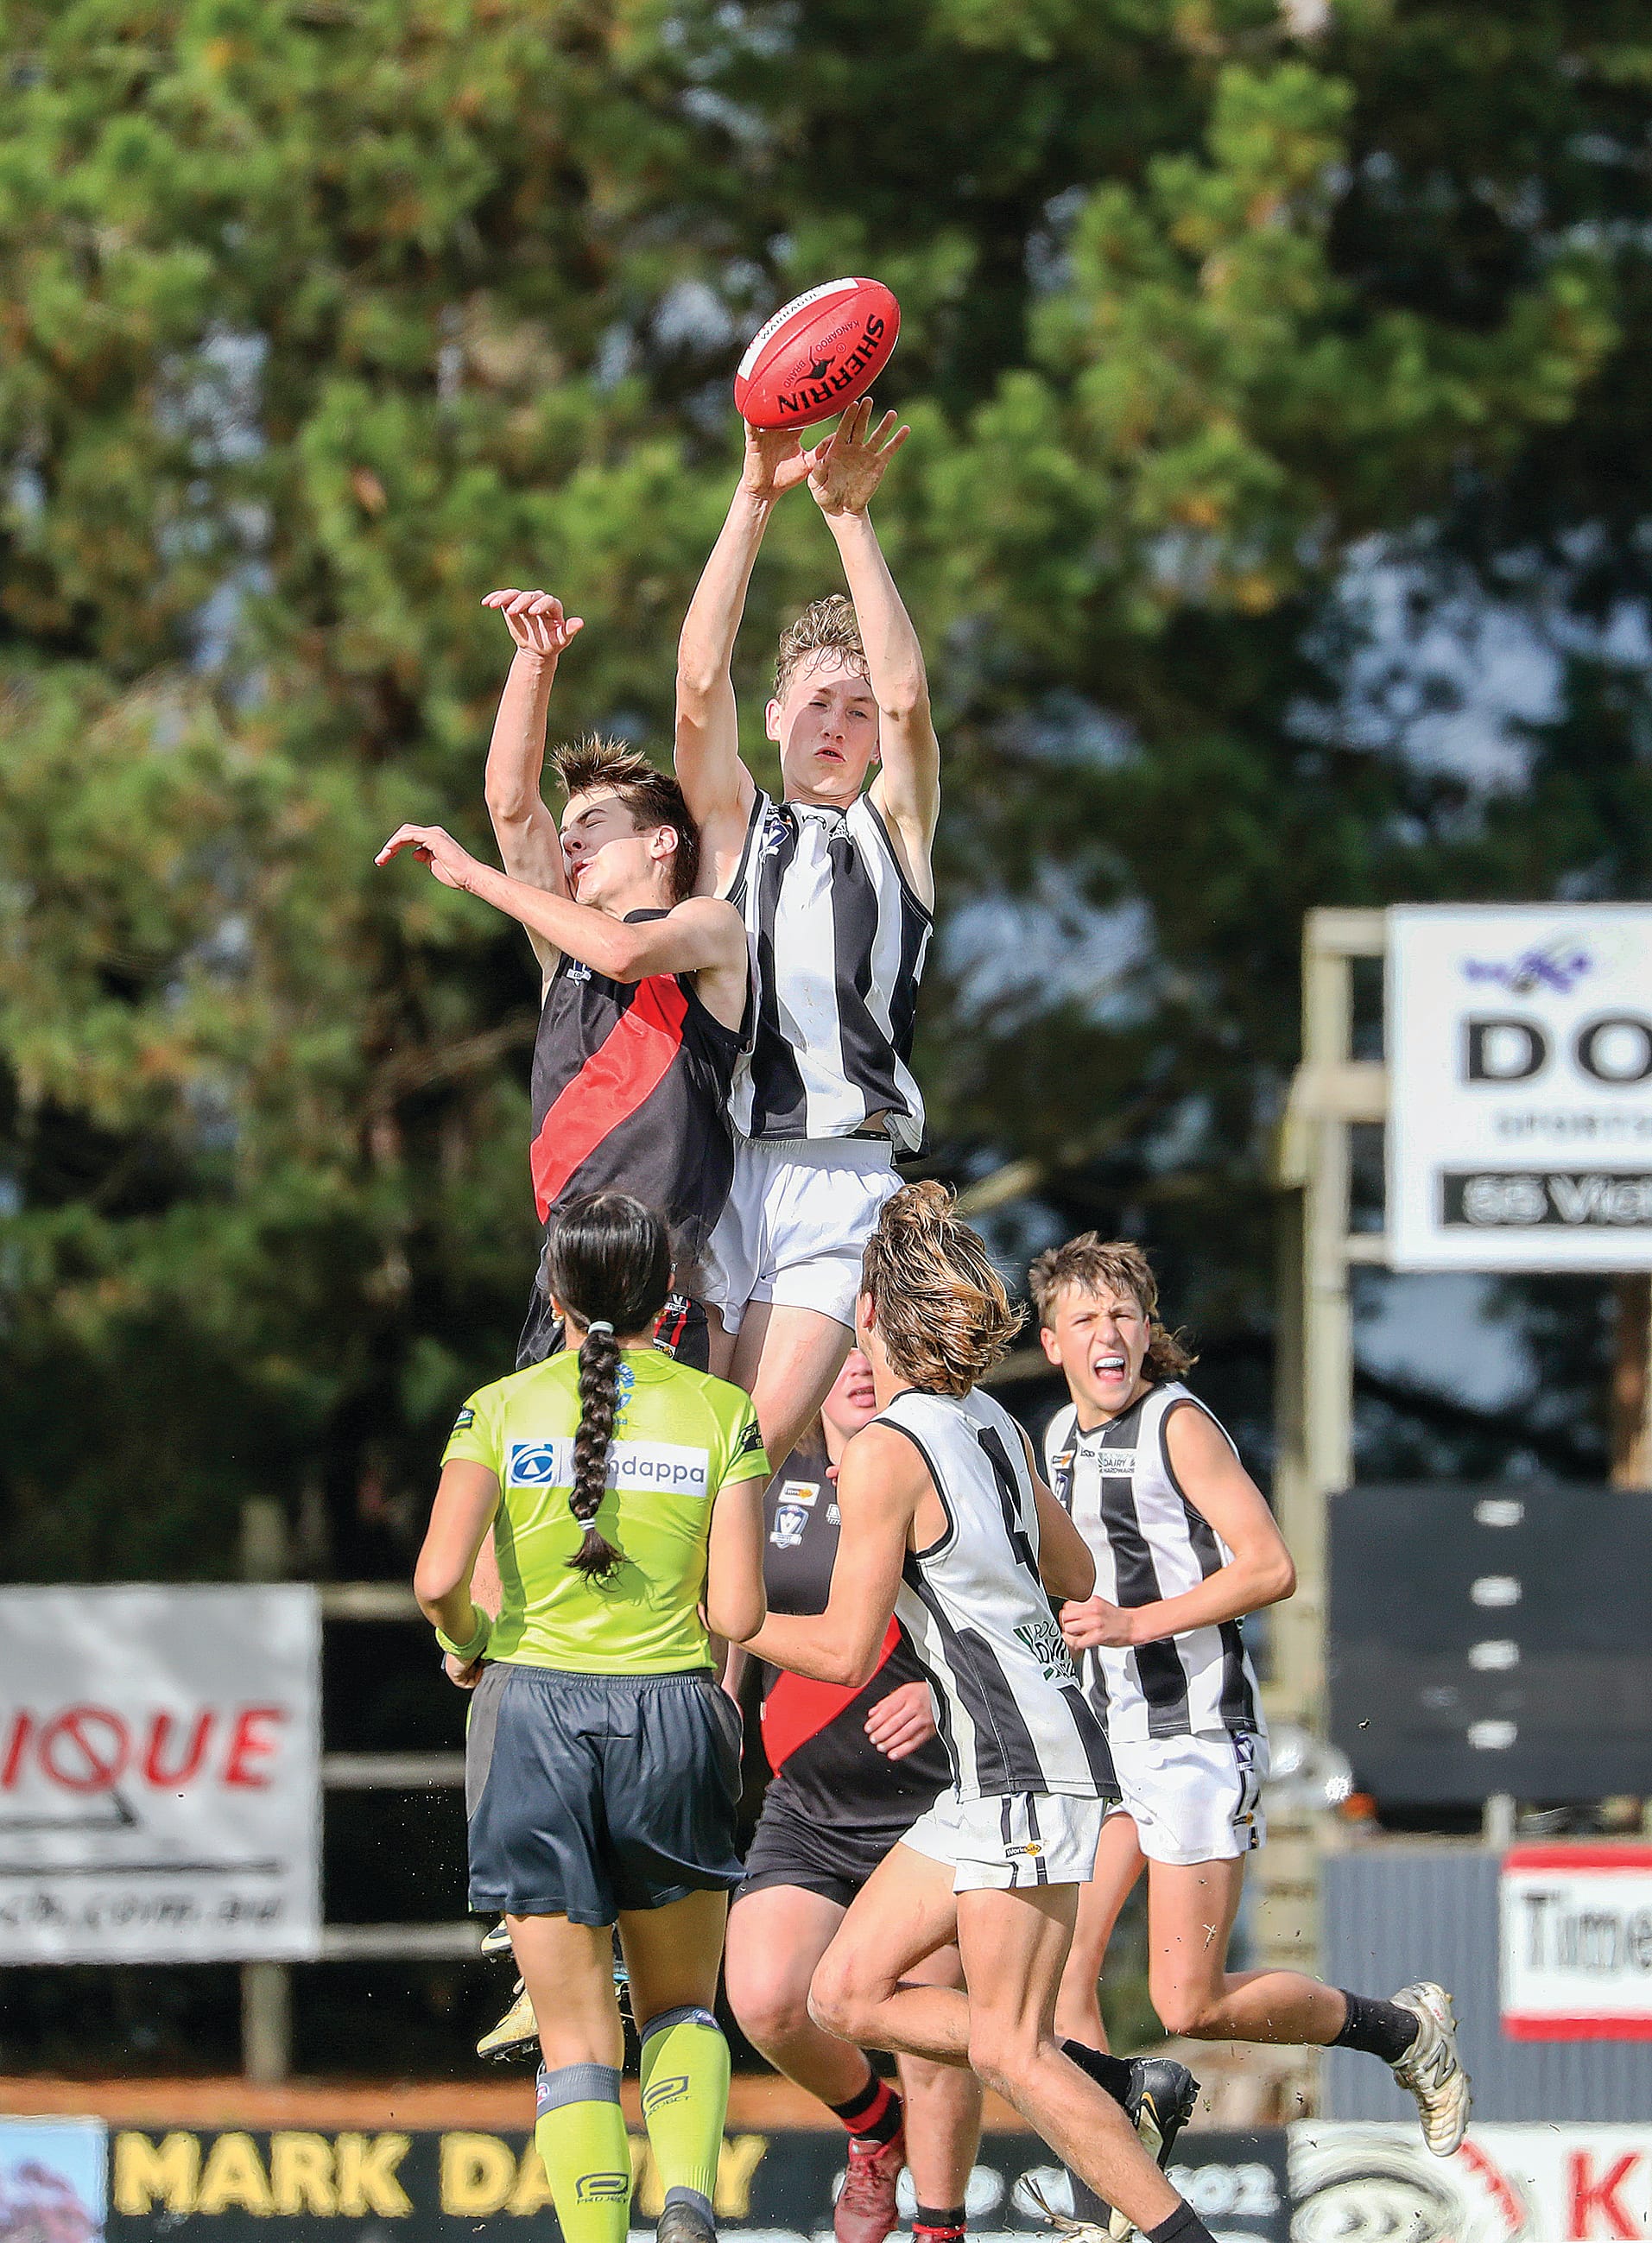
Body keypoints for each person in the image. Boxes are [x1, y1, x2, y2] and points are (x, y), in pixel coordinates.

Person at [739, 1183, 1215, 2243]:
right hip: (1015, 1761)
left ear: (869, 1316)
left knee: (1008, 2051)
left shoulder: (885, 1452)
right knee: (844, 1994)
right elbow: (1075, 1566)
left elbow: (840, 1649)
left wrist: (724, 1615)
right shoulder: (992, 1418)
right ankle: (1113, 2075)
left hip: (1014, 1771)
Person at [1033, 1233, 1471, 2175]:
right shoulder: (1055, 1439)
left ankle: (1400, 2030)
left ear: (1147, 1331)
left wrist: (1135, 1620)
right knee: (1056, 1979)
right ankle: (1116, 2175)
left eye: (1124, 1314)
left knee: (1187, 2003)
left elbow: (1269, 1565)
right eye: (1086, 1318)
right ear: (1051, 1341)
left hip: (1192, 1737)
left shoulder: (1175, 1423)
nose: (1108, 1333)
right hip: (1104, 1744)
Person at [413, 1190, 770, 2243]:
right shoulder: (722, 1412)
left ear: (554, 1294)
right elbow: (739, 1613)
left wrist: (470, 1636)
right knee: (680, 2008)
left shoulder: (497, 1405)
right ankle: (692, 2199)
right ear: (670, 1299)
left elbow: (438, 1577)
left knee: (574, 2039)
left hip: (527, 1718)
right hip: (669, 1713)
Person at [379, 588, 751, 1372]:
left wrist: (477, 879)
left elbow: (623, 953)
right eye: (568, 829)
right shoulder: (563, 952)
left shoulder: (708, 928)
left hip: (663, 1286)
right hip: (562, 1286)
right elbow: (511, 807)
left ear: (660, 842)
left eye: (593, 827)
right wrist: (533, 661)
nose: (571, 842)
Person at [675, 402, 937, 1473]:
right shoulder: (738, 826)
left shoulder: (895, 833)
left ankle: (719, 1641)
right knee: (681, 1459)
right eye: (818, 702)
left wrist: (845, 519)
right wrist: (750, 497)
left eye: (857, 712)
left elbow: (914, 697)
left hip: (841, 1174)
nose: (840, 722)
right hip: (719, 1164)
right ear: (775, 715)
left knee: (744, 1454)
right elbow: (697, 687)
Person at [725, 1349, 983, 2243]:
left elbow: (1008, 1619)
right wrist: (713, 1719)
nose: (859, 1366)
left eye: (877, 1349)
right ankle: (874, 2127)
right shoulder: (763, 1477)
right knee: (764, 1998)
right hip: (805, 1807)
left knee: (927, 2027)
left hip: (931, 1812)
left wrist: (938, 1692)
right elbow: (731, 1612)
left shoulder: (931, 1467)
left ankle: (939, 2229)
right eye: (839, 1349)